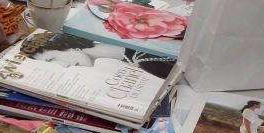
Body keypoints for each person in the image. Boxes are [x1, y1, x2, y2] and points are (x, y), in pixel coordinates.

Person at [21, 33, 174, 79]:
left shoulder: (147, 60)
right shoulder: (126, 56)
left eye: (53, 59)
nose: (64, 65)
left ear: (64, 45)